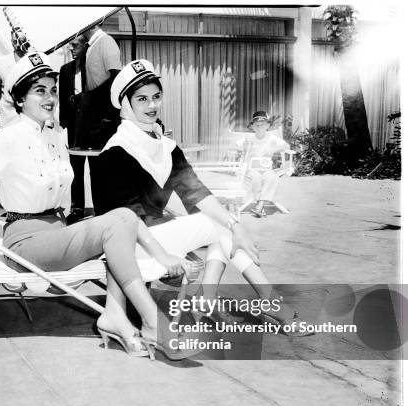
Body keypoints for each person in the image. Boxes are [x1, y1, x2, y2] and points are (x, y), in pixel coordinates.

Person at [0, 52, 208, 360]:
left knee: (119, 228)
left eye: (51, 89)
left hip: (58, 233)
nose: (49, 97)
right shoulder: (6, 139)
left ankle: (115, 317)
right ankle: (154, 323)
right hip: (25, 243)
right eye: (39, 91)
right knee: (120, 219)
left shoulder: (57, 136)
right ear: (20, 99)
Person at [90, 60, 312, 335]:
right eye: (142, 99)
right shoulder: (115, 152)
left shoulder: (164, 147)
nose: (152, 106)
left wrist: (238, 227)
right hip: (130, 247)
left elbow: (195, 191)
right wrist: (230, 226)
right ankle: (262, 302)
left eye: (156, 97)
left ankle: (219, 301)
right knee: (218, 227)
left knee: (220, 225)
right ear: (125, 104)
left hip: (156, 236)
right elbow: (121, 221)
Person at [73, 25, 121, 149]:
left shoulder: (106, 41)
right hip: (96, 119)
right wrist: (82, 97)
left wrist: (88, 97)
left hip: (106, 120)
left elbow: (116, 78)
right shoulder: (92, 46)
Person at [59, 35, 88, 223]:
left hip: (91, 125)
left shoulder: (92, 68)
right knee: (75, 169)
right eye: (70, 45)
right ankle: (77, 208)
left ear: (86, 46)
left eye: (76, 45)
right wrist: (64, 122)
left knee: (96, 168)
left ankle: (103, 209)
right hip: (73, 125)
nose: (72, 48)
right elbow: (63, 97)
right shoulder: (65, 70)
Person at [238, 111, 291, 217]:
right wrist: (244, 146)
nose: (259, 127)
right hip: (252, 168)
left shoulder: (271, 138)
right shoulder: (249, 138)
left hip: (266, 167)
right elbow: (237, 145)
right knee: (256, 177)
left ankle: (260, 204)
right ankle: (260, 205)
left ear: (268, 125)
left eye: (262, 124)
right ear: (252, 126)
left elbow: (286, 146)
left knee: (271, 177)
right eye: (257, 125)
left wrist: (273, 150)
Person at [0, 28, 30, 138]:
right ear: (11, 41)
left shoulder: (34, 62)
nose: (18, 44)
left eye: (21, 41)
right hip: (9, 123)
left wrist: (48, 122)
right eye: (15, 41)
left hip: (32, 123)